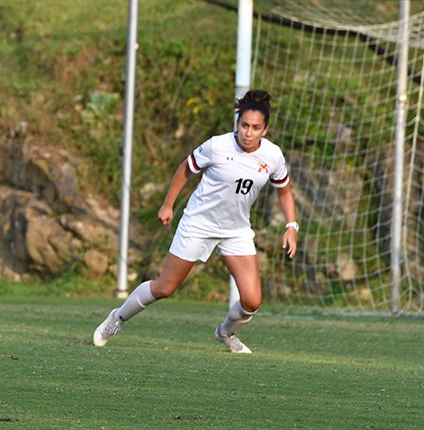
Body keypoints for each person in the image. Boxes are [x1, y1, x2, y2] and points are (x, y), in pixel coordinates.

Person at [93, 89, 298, 354]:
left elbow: (284, 189)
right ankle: (116, 318)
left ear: (265, 130)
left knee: (252, 301)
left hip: (235, 230)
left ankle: (226, 333)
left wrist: (291, 226)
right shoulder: (217, 145)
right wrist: (168, 204)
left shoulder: (273, 156)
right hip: (198, 223)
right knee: (165, 287)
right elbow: (185, 169)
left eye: (255, 127)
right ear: (237, 124)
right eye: (244, 125)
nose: (248, 132)